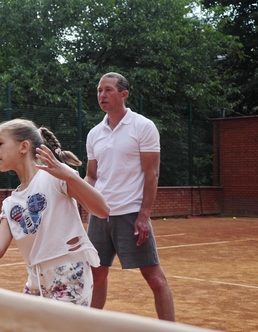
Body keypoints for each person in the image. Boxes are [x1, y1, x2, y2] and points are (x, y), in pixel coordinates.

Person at [0, 118, 109, 306]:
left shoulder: (54, 177)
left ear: (24, 147)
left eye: (1, 143)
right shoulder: (11, 203)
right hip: (36, 280)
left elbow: (102, 210)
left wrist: (68, 174)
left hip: (69, 274)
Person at [85, 72, 175, 320]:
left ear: (124, 94)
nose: (102, 95)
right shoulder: (94, 134)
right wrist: (83, 197)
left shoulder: (143, 127)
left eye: (109, 90)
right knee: (97, 276)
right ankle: (88, 326)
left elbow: (151, 173)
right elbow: (92, 175)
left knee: (155, 279)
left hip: (131, 215)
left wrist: (144, 215)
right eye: (99, 90)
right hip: (99, 216)